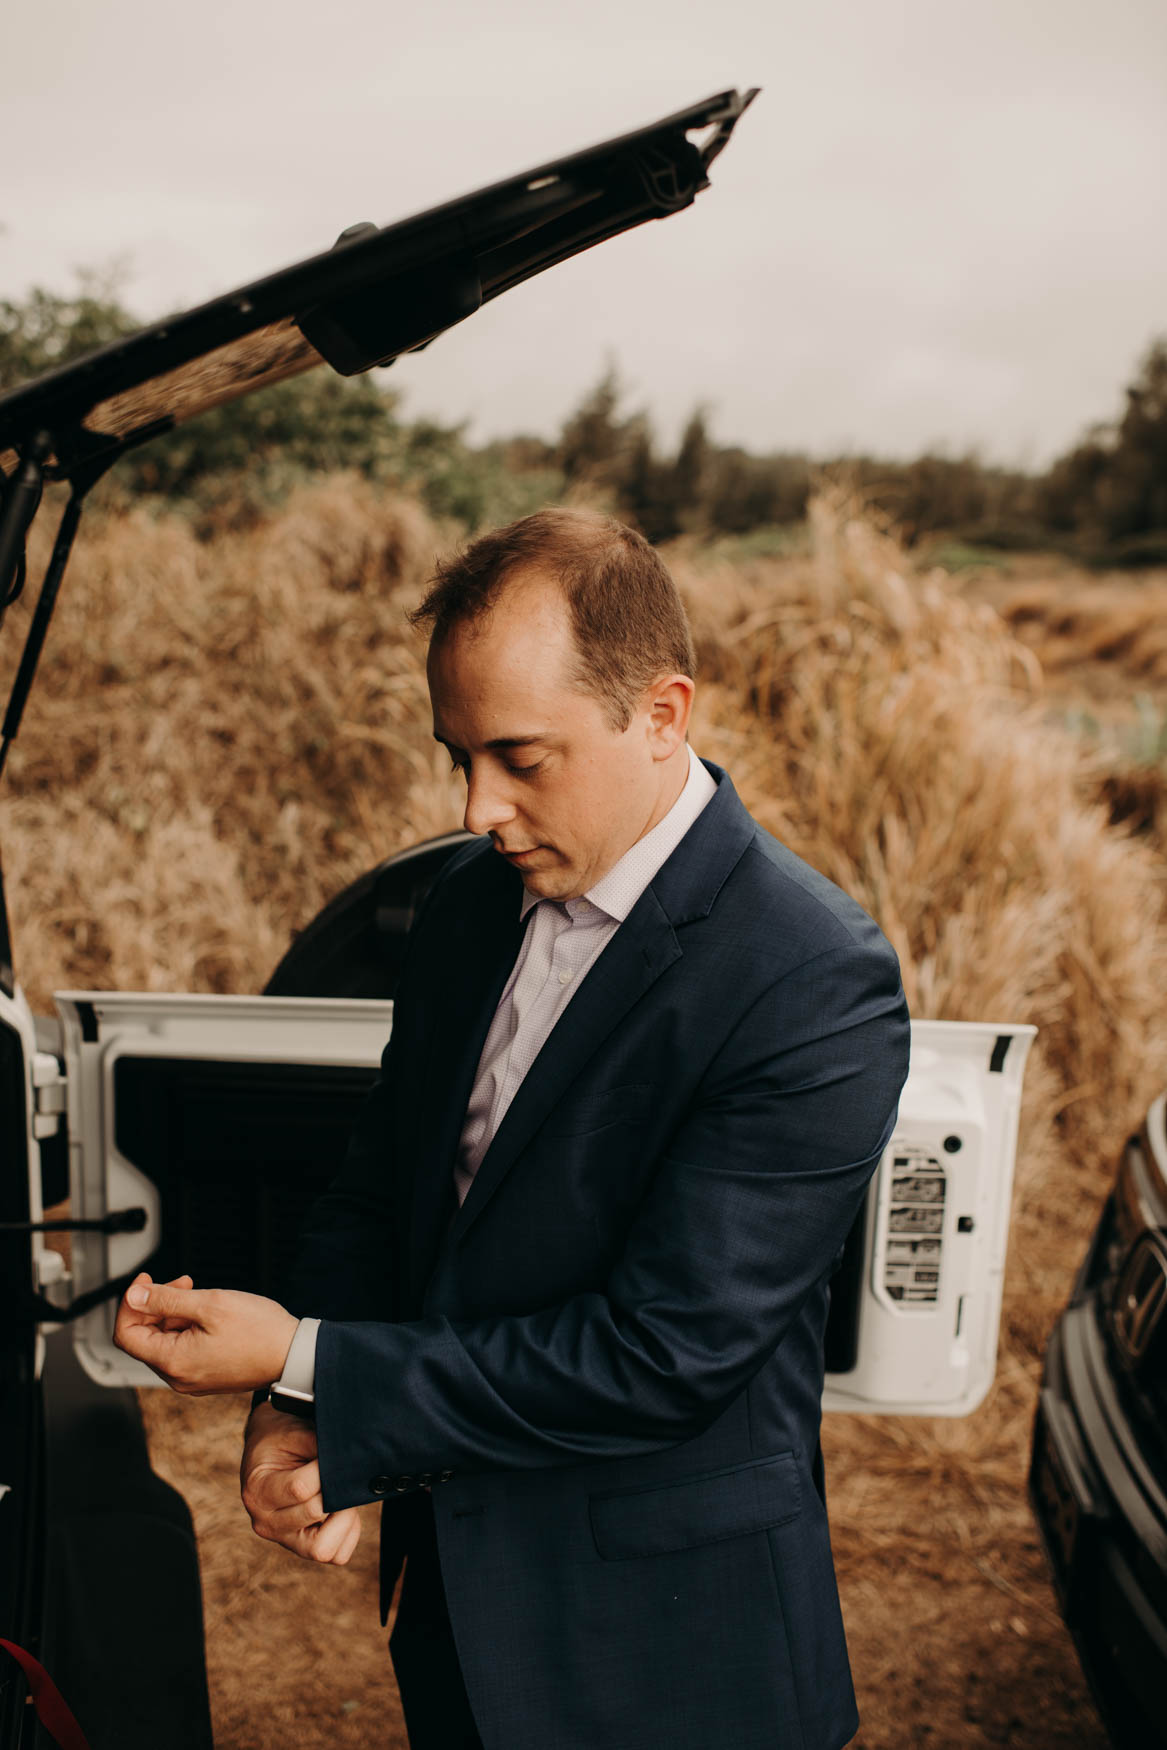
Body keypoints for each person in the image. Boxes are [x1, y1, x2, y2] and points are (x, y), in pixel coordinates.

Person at [114, 507, 911, 1750]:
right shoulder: (466, 905)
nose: (479, 806)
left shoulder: (810, 975)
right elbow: (383, 1192)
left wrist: (311, 1352)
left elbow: (665, 1355)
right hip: (456, 1614)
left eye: (521, 758)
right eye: (458, 754)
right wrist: (295, 1408)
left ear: (663, 713)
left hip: (670, 1657)